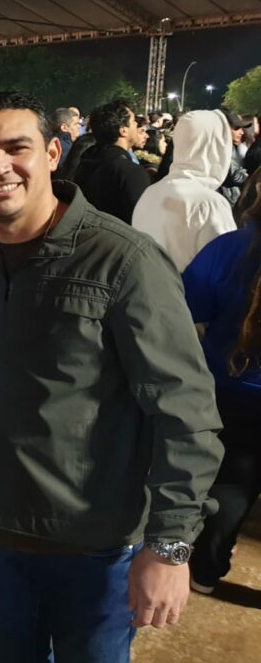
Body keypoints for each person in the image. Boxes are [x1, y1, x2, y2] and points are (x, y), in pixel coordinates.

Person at [0, 91, 224, 662]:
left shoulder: (122, 260)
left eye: (15, 147)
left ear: (53, 152)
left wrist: (170, 547)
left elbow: (186, 411)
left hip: (94, 550)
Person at [182, 187, 261, 595]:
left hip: (229, 386)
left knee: (230, 484)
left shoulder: (231, 247)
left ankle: (206, 572)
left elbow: (187, 305)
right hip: (234, 387)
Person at [131, 110, 237, 272]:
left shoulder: (150, 192)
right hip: (190, 295)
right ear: (216, 146)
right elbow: (226, 268)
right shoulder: (209, 203)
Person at [74, 99, 150, 223]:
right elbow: (141, 223)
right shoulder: (132, 173)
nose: (137, 125)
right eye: (134, 121)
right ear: (123, 130)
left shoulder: (84, 162)